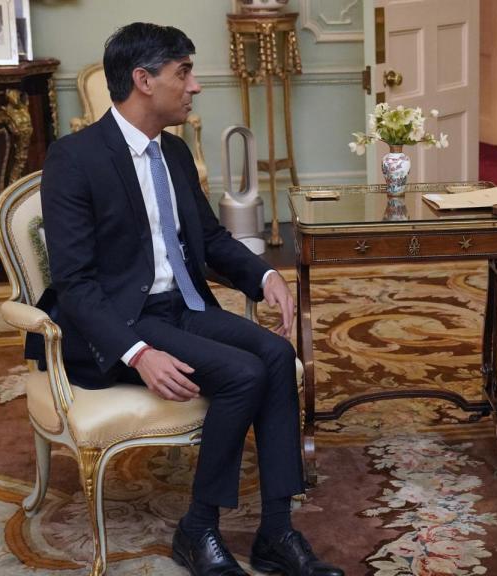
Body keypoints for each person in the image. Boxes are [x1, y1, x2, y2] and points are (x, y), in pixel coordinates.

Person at [39, 23, 343, 576]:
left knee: (277, 357)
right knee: (243, 373)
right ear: (143, 80)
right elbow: (75, 283)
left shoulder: (174, 153)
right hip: (121, 321)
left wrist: (263, 276)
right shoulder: (75, 159)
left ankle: (276, 531)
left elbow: (212, 241)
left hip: (181, 306)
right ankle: (197, 528)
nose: (195, 86)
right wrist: (137, 353)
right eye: (184, 72)